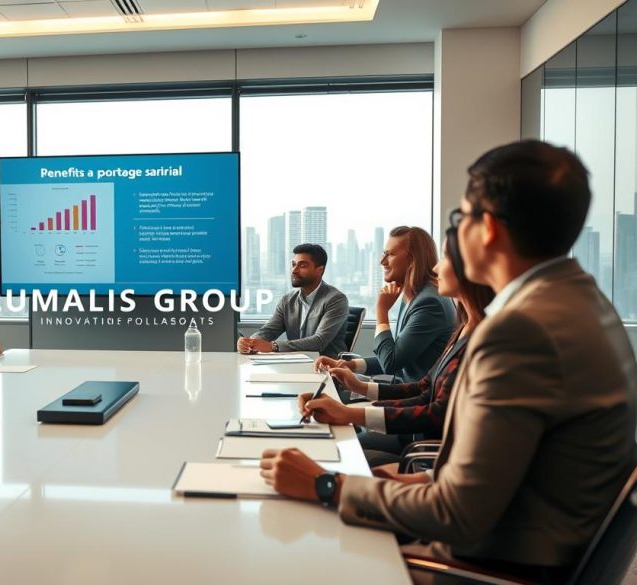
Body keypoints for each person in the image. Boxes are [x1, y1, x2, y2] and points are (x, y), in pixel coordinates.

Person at [260, 140, 637, 582]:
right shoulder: (582, 302)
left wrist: (327, 486)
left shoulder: (520, 331)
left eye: (460, 218)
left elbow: (456, 514)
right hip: (519, 538)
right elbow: (487, 480)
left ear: (489, 228)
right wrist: (373, 481)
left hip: (487, 565)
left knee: (295, 552)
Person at [302, 229, 494, 466]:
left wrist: (381, 312)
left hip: (423, 443)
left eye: (389, 254)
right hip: (416, 430)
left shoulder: (435, 305)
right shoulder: (459, 325)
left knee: (337, 449)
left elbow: (394, 364)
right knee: (335, 441)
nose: (436, 268)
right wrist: (357, 381)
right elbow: (424, 387)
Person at [316, 226, 455, 382]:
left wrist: (381, 310)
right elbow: (398, 355)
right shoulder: (415, 296)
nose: (382, 261)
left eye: (390, 254)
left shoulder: (429, 303)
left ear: (412, 259)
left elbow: (391, 362)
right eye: (384, 253)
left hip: (417, 400)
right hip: (403, 393)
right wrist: (349, 365)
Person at [237, 243, 349, 358]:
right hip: (296, 363)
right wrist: (250, 342)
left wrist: (273, 346)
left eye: (302, 266)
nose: (294, 270)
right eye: (293, 264)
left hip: (327, 368)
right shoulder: (288, 300)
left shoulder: (336, 299)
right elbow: (269, 330)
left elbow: (319, 342)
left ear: (319, 270)